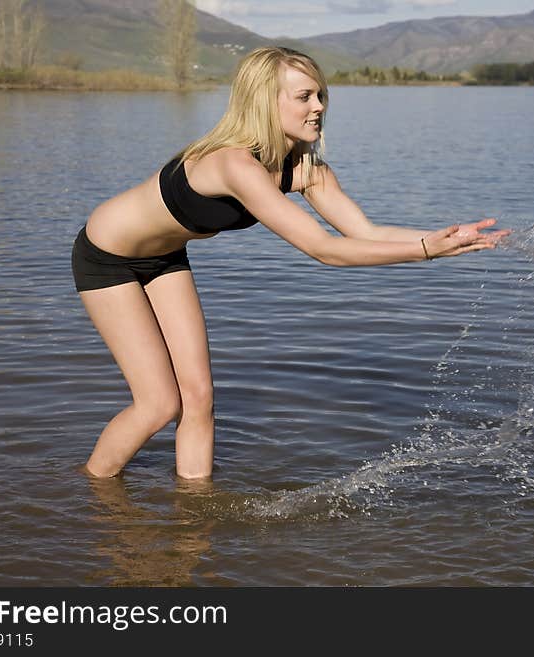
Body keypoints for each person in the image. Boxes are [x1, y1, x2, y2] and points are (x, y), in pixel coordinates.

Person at [72, 46, 510, 480]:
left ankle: (194, 514)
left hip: (164, 258)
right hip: (107, 257)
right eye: (304, 97)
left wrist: (442, 237)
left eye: (320, 95)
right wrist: (425, 251)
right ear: (265, 100)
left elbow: (363, 232)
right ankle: (93, 495)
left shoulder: (306, 168)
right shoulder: (233, 163)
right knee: (159, 404)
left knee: (200, 397)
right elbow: (323, 249)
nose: (318, 107)